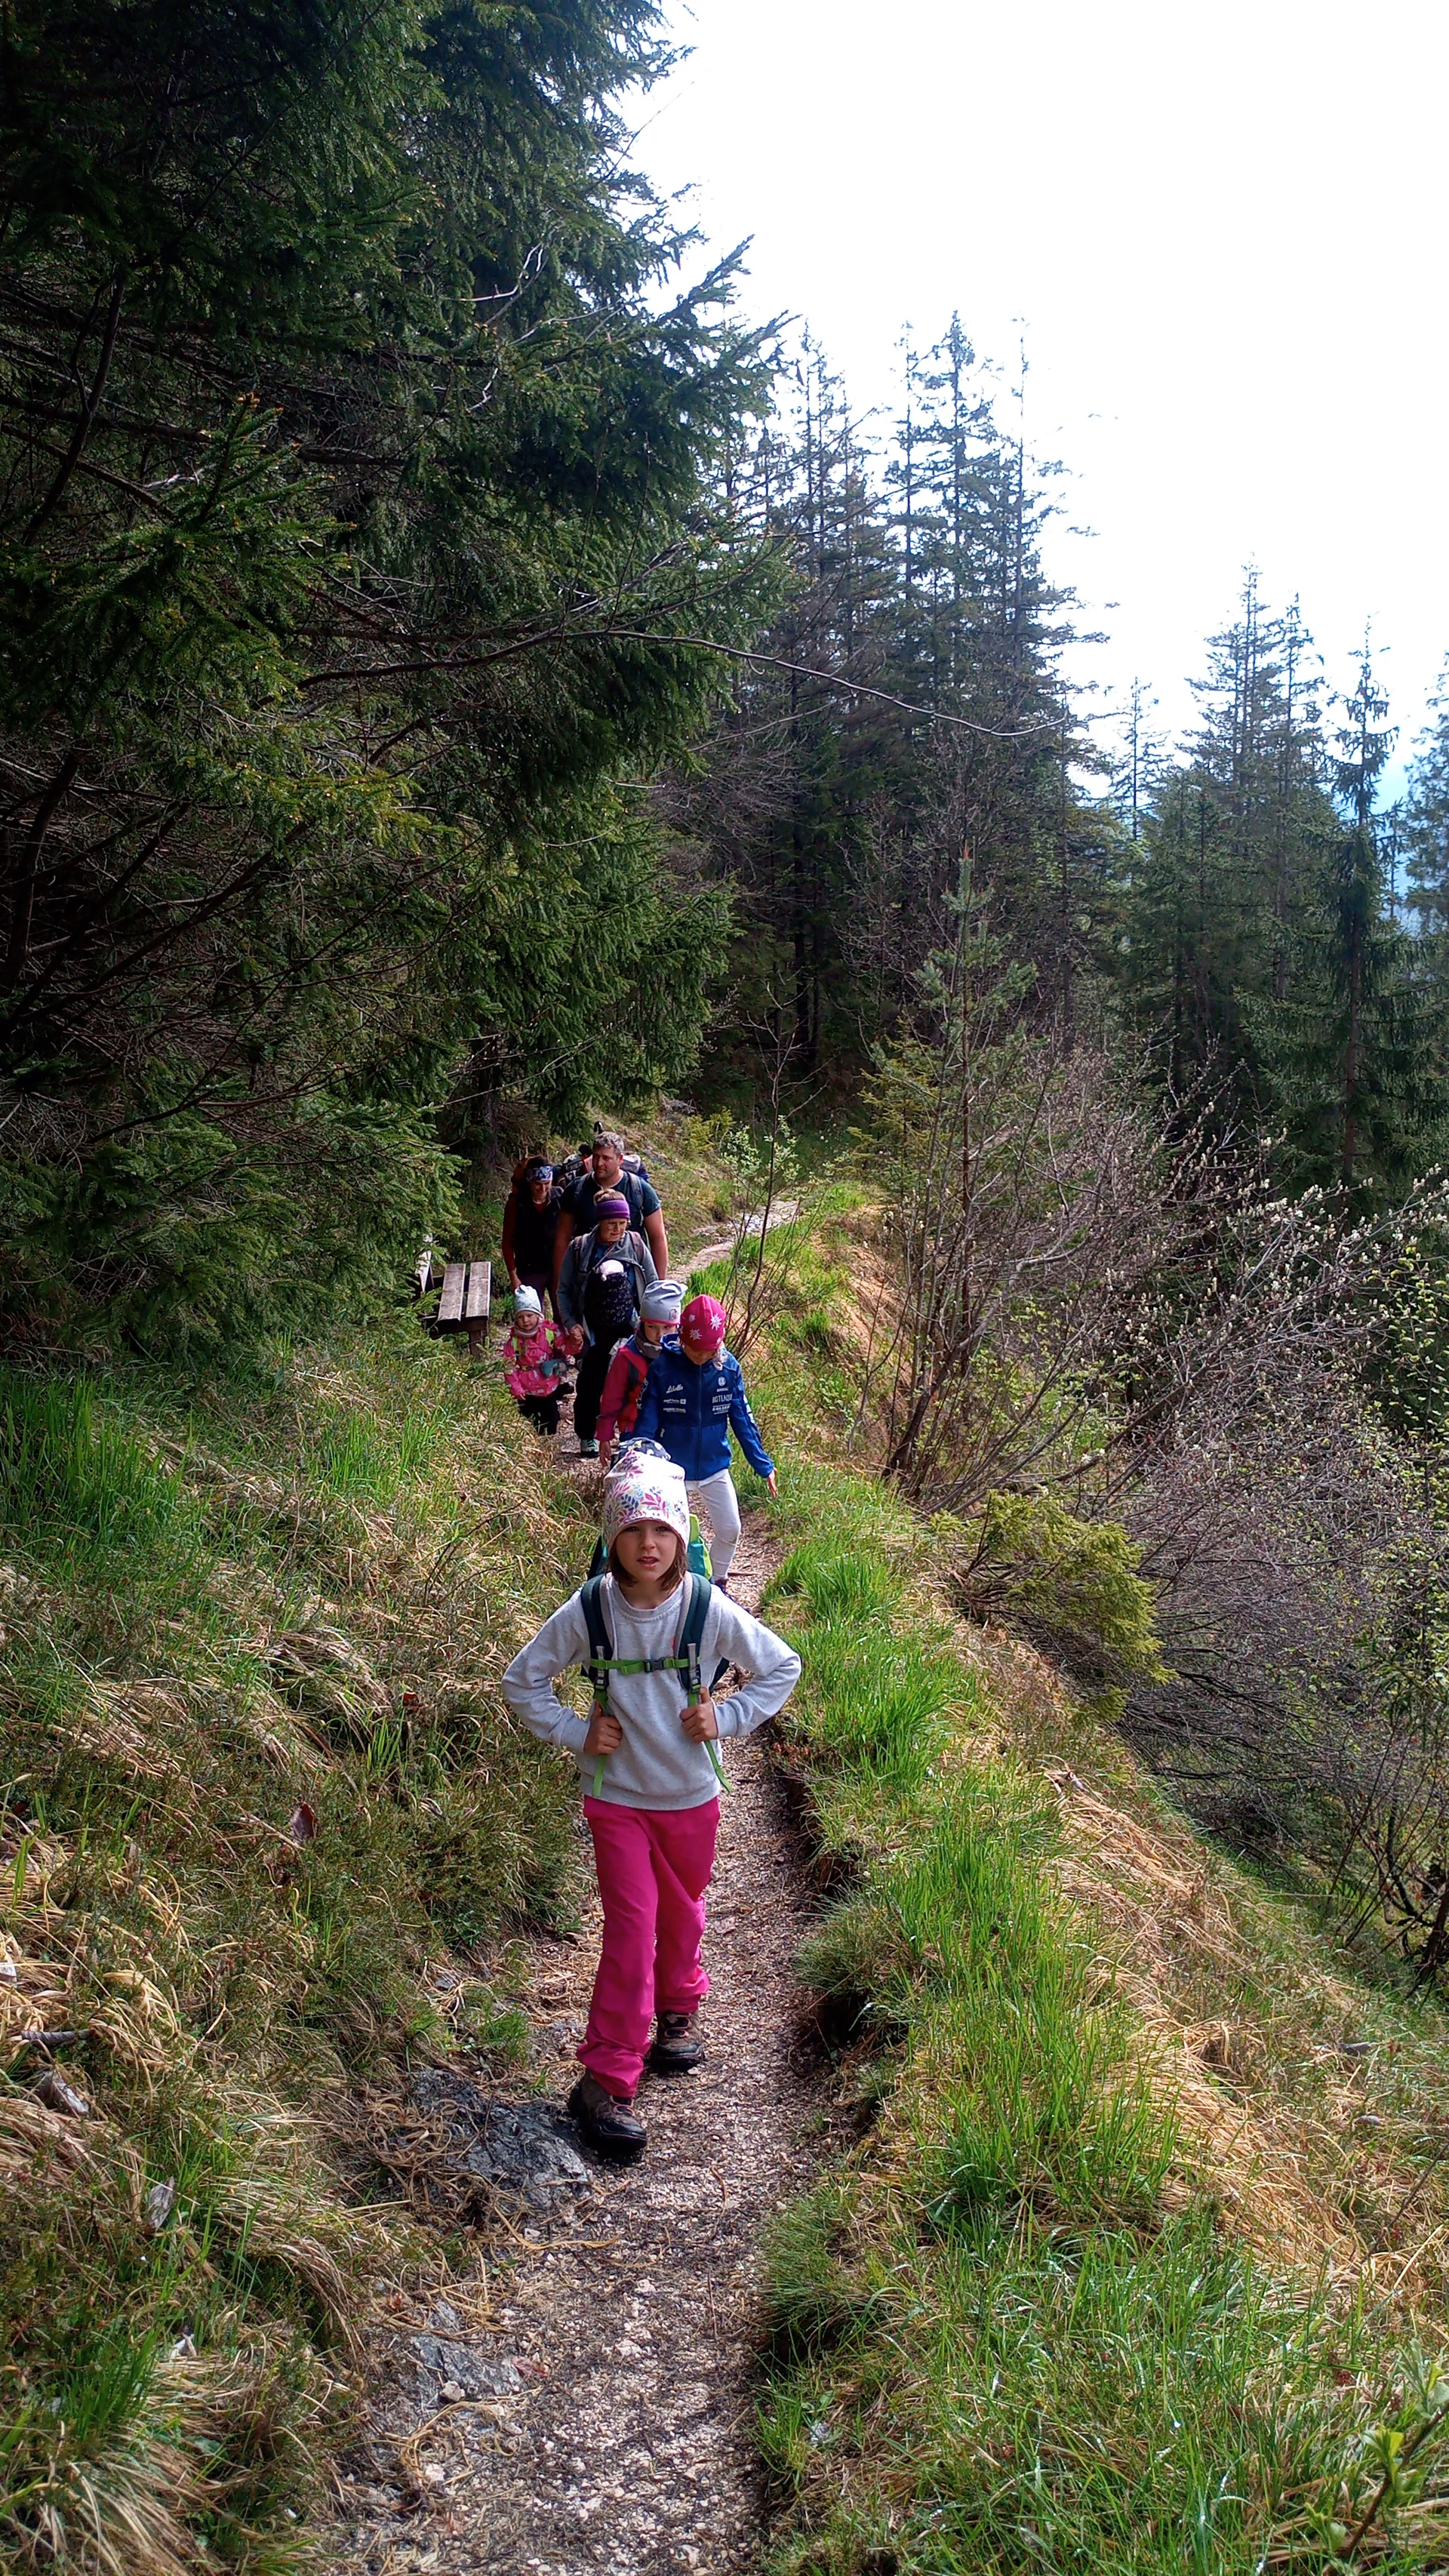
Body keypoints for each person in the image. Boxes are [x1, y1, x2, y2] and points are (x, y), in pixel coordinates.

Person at [501, 1462, 800, 2160]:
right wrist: (578, 1732)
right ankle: (604, 2078)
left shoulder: (704, 1606)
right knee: (633, 1931)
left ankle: (677, 2007)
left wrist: (725, 1717)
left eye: (662, 1528)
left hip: (692, 1796)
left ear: (682, 1534)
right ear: (611, 1537)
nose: (647, 1543)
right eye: (631, 1528)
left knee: (683, 1905)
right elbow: (524, 1680)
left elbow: (780, 1665)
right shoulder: (592, 1609)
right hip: (617, 1798)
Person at [631, 1294, 775, 1590]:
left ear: (718, 1345)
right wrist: (636, 1459)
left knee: (730, 1528)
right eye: (694, 1350)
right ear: (683, 1339)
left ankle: (715, 1583)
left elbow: (743, 1420)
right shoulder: (662, 1368)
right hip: (672, 1467)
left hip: (714, 1465)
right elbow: (646, 1419)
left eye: (707, 1352)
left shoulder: (729, 1369)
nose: (699, 1357)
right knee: (675, 1533)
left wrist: (763, 1465)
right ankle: (675, 1587)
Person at [556, 1194, 659, 1458]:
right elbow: (564, 1290)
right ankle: (588, 1435)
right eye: (611, 1223)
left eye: (623, 1222)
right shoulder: (580, 1249)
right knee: (591, 1383)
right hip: (593, 1331)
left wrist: (651, 1323)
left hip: (631, 1328)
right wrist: (571, 1324)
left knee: (634, 1385)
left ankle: (631, 1436)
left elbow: (652, 1285)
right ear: (599, 1221)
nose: (617, 1228)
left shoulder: (636, 1245)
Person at [554, 1129, 667, 1291]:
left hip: (632, 1282)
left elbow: (658, 1237)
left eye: (606, 1158)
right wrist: (561, 1286)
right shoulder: (576, 1190)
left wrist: (658, 1286)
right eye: (596, 1156)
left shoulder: (639, 1190)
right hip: (585, 1281)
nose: (599, 1163)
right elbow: (562, 1238)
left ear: (620, 1159)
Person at [596, 1279, 684, 1467]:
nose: (659, 1335)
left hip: (674, 1430)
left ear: (677, 1325)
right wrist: (605, 1434)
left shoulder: (685, 1354)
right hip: (634, 1431)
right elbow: (611, 1397)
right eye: (652, 1327)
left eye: (667, 1327)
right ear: (642, 1323)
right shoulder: (627, 1356)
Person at [500, 1286, 570, 1436]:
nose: (525, 1321)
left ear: (538, 1315)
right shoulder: (514, 1341)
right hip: (526, 1390)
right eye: (520, 1317)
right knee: (531, 1422)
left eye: (529, 1315)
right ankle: (535, 1446)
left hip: (548, 1387)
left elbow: (565, 1347)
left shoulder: (550, 1332)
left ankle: (548, 1444)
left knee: (551, 1420)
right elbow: (508, 1366)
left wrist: (575, 1344)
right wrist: (516, 1388)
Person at [500, 1156, 565, 1314]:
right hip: (528, 1268)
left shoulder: (560, 1198)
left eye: (546, 1184)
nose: (543, 1189)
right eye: (538, 1184)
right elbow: (507, 1241)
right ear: (529, 1182)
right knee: (531, 1315)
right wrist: (513, 1276)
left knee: (563, 1313)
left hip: (557, 1266)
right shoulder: (516, 1204)